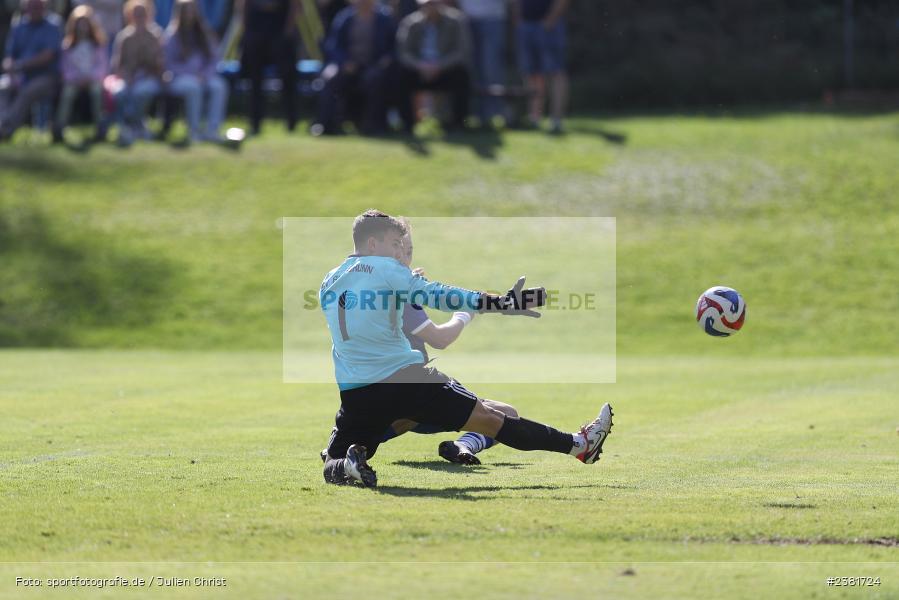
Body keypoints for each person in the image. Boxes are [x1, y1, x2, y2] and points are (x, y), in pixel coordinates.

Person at [319, 209, 614, 487]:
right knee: (492, 419)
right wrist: (498, 303)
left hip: (357, 392)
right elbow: (438, 294)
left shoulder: (330, 279)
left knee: (333, 459)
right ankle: (580, 445)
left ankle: (348, 465)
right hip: (406, 381)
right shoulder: (385, 268)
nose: (399, 253)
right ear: (373, 243)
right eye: (395, 244)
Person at [312, 0, 396, 135]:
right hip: (347, 65)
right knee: (329, 78)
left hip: (373, 65)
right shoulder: (344, 18)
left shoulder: (384, 19)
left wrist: (383, 61)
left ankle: (372, 125)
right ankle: (325, 124)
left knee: (375, 80)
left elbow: (392, 47)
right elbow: (333, 46)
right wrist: (344, 61)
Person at [395, 0, 470, 132]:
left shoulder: (456, 20)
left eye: (433, 3)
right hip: (419, 70)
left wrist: (440, 65)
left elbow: (461, 51)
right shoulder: (411, 22)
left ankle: (458, 124)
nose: (430, 7)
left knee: (461, 75)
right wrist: (420, 66)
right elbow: (404, 53)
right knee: (400, 75)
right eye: (427, 4)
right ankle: (407, 124)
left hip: (445, 69)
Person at [163, 0, 227, 142]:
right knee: (193, 88)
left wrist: (204, 74)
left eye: (192, 11)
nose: (190, 15)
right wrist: (191, 74)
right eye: (186, 11)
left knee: (219, 86)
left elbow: (214, 59)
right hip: (180, 78)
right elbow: (168, 64)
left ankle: (212, 130)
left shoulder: (204, 32)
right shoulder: (172, 35)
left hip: (203, 76)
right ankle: (194, 130)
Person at [0, 0, 62, 142]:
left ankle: (5, 130)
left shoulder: (52, 26)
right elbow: (9, 55)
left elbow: (48, 56)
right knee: (2, 86)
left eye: (38, 7)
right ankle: (2, 123)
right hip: (20, 75)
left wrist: (20, 65)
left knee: (27, 92)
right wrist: (9, 67)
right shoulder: (19, 26)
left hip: (46, 77)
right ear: (25, 8)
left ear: (44, 8)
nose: (35, 10)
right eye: (32, 7)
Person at [238, 0, 300, 135]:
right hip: (256, 32)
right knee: (255, 82)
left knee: (288, 80)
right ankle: (255, 124)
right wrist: (246, 30)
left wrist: (288, 30)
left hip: (280, 32)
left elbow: (295, 5)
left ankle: (291, 123)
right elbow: (242, 4)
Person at [110, 0, 163, 145]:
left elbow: (160, 65)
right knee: (120, 92)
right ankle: (129, 127)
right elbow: (117, 66)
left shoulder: (155, 35)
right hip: (128, 78)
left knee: (142, 91)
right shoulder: (124, 37)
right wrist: (127, 76)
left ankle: (136, 126)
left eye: (142, 13)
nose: (139, 17)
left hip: (149, 78)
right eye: (136, 14)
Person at [54, 5, 108, 141]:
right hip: (74, 81)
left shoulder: (97, 44)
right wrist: (76, 78)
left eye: (85, 24)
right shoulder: (68, 45)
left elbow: (101, 65)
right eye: (79, 24)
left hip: (93, 80)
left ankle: (100, 126)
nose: (82, 27)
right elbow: (65, 67)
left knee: (96, 92)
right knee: (67, 94)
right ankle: (59, 126)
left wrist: (91, 77)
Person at [514, 0, 567, 133]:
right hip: (526, 24)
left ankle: (556, 120)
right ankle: (535, 118)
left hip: (549, 24)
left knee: (555, 73)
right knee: (532, 74)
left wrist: (551, 19)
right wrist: (519, 19)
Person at [457, 0, 506, 126]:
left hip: (493, 18)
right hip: (467, 19)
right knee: (470, 69)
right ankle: (474, 114)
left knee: (491, 68)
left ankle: (493, 114)